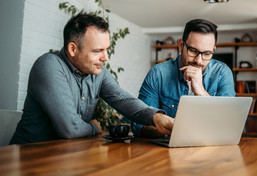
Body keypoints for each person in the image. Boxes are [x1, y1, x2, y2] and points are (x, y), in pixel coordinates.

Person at [10, 13, 173, 144]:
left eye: (106, 49)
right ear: (73, 49)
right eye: (97, 51)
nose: (106, 57)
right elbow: (71, 129)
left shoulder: (98, 73)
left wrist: (156, 117)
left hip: (66, 157)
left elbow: (122, 99)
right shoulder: (49, 65)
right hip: (27, 159)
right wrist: (94, 127)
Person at [132, 19, 236, 138]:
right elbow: (138, 125)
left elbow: (229, 123)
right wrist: (165, 132)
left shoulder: (222, 73)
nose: (198, 61)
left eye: (207, 53)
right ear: (181, 45)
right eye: (193, 50)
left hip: (212, 149)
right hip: (167, 150)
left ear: (213, 50)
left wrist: (201, 91)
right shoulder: (158, 73)